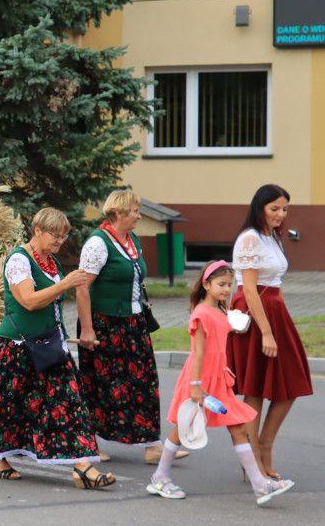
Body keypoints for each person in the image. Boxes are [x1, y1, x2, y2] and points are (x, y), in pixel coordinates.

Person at [0, 208, 114, 488]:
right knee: (8, 406)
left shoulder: (50, 262)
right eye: (56, 235)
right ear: (38, 230)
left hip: (49, 344)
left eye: (64, 237)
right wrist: (65, 284)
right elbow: (28, 300)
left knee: (71, 401)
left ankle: (82, 466)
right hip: (18, 347)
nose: (60, 241)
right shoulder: (19, 259)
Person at [147, 261, 295, 505]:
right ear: (206, 284)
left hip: (219, 380)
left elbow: (229, 332)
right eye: (221, 284)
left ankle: (260, 485)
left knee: (238, 427)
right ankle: (159, 477)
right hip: (201, 379)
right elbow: (198, 353)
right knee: (185, 429)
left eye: (229, 284)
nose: (227, 289)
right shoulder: (201, 314)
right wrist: (196, 384)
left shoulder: (220, 311)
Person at [76, 190, 186, 464]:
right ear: (118, 213)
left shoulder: (132, 240)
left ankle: (152, 444)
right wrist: (87, 330)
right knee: (101, 384)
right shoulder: (98, 243)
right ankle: (91, 442)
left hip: (133, 322)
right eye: (135, 211)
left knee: (145, 382)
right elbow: (81, 289)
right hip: (104, 324)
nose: (139, 215)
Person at [227, 184, 312, 480]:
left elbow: (276, 282)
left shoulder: (272, 237)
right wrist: (266, 332)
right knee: (256, 389)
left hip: (275, 310)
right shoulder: (249, 239)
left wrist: (281, 321)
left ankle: (264, 446)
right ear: (260, 207)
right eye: (274, 208)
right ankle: (251, 459)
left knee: (294, 382)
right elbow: (248, 290)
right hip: (255, 313)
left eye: (285, 208)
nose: (281, 214)